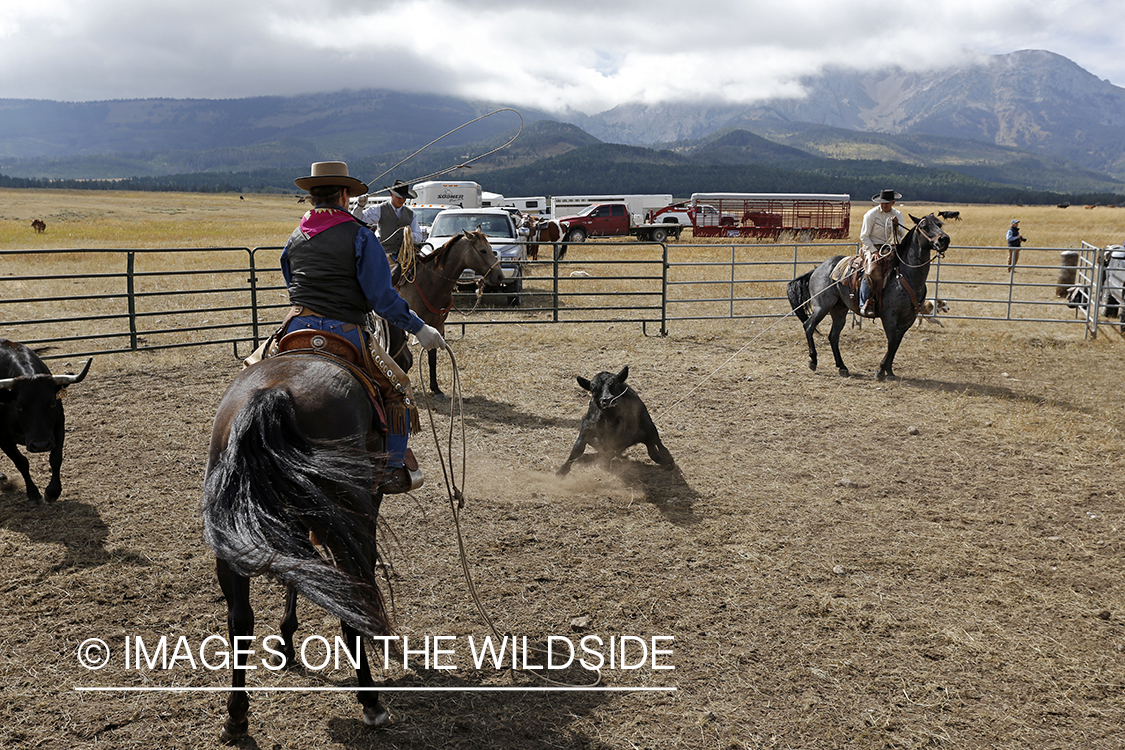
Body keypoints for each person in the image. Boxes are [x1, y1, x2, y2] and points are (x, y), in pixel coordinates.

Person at [281, 161, 447, 493]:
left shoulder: (295, 236)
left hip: (295, 325)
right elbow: (382, 299)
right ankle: (390, 469)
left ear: (313, 196)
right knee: (399, 388)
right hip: (344, 330)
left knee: (254, 369)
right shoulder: (359, 235)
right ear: (344, 195)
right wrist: (419, 328)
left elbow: (290, 279)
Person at [858, 189, 907, 316]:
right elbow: (864, 236)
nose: (884, 205)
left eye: (887, 203)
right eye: (882, 203)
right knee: (871, 271)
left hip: (891, 247)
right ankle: (864, 303)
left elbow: (901, 234)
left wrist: (897, 226)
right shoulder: (871, 214)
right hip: (873, 246)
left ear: (893, 203)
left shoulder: (897, 214)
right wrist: (874, 252)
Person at [354, 179, 422, 262]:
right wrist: (360, 207)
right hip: (383, 254)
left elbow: (419, 236)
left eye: (404, 197)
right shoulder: (379, 209)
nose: (402, 200)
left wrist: (409, 235)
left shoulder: (411, 214)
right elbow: (358, 219)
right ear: (391, 195)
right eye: (399, 197)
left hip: (405, 256)